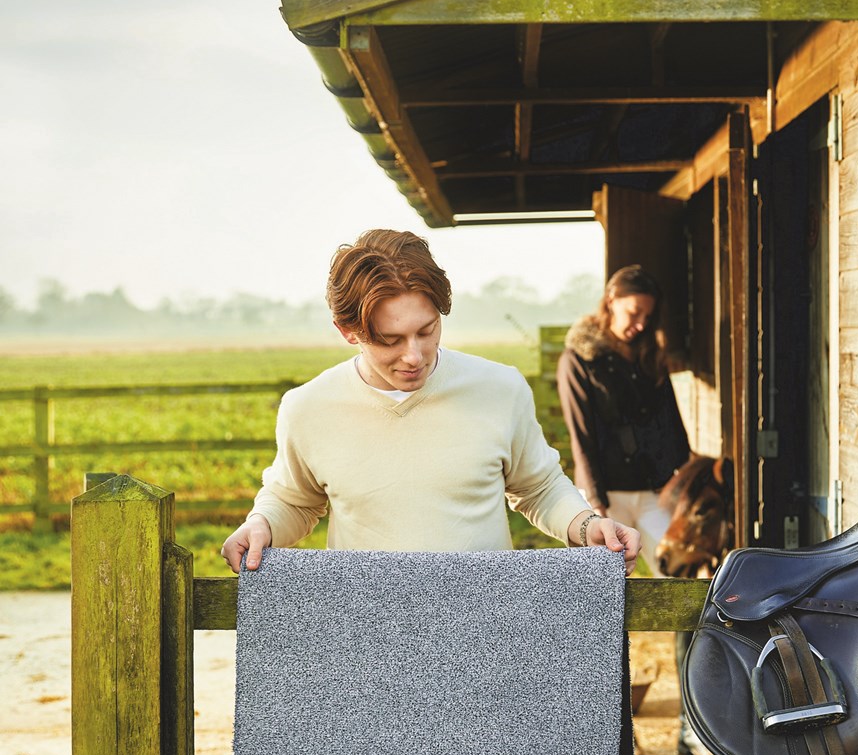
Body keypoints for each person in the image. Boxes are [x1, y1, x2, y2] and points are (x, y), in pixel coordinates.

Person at [221, 228, 641, 575]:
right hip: (366, 632)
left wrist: (587, 525)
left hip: (486, 627)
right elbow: (293, 500)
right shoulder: (307, 408)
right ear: (348, 331)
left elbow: (539, 488)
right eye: (391, 340)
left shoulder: (500, 388)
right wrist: (261, 525)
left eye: (426, 330)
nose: (414, 355)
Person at [556, 264, 690, 577]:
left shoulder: (648, 356)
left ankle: (686, 631)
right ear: (611, 300)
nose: (641, 324)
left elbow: (672, 423)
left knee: (678, 575)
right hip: (608, 494)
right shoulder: (578, 360)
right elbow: (581, 436)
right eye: (635, 312)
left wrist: (681, 482)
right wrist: (596, 504)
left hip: (656, 492)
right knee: (607, 584)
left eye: (648, 316)